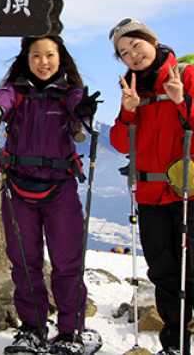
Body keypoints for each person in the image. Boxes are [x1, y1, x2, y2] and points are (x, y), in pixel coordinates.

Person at [0, 35, 101, 355]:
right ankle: (32, 328)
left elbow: (77, 107)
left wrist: (82, 109)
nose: (43, 62)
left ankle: (70, 332)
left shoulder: (70, 91)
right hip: (19, 189)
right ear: (26, 59)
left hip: (60, 189)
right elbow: (3, 99)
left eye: (49, 55)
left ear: (60, 57)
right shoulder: (16, 90)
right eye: (36, 55)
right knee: (24, 263)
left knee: (68, 264)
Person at [109, 18, 194, 355]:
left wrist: (180, 101)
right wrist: (128, 112)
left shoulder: (186, 77)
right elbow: (119, 142)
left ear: (152, 41)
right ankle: (174, 343)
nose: (132, 54)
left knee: (192, 270)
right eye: (124, 52)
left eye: (136, 45)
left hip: (188, 192)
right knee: (163, 272)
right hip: (149, 196)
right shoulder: (132, 90)